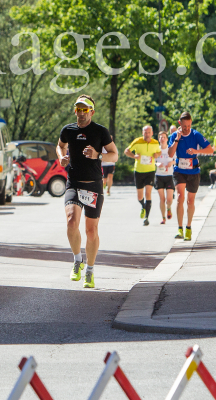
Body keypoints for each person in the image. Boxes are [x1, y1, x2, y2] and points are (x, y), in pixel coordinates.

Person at [57, 94, 118, 288]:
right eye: (78, 109)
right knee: (71, 221)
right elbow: (60, 146)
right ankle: (77, 260)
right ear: (75, 111)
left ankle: (90, 270)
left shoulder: (100, 131)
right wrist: (61, 157)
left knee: (91, 231)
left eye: (85, 110)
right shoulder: (68, 130)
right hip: (73, 182)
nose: (81, 113)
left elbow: (114, 155)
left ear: (91, 111)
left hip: (93, 184)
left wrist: (97, 155)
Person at [168, 111, 213, 240]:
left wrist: (196, 151)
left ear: (191, 123)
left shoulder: (195, 135)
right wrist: (177, 138)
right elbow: (171, 154)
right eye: (184, 126)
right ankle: (180, 228)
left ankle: (188, 227)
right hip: (179, 170)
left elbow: (210, 149)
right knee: (180, 197)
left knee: (190, 200)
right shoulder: (174, 136)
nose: (186, 128)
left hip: (193, 171)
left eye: (188, 126)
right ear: (179, 123)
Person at [124, 125, 161, 225]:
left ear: (152, 133)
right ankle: (143, 206)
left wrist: (157, 155)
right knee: (140, 196)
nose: (147, 134)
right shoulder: (137, 141)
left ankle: (147, 218)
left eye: (149, 132)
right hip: (139, 171)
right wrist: (134, 156)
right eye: (145, 132)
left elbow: (159, 152)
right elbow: (126, 151)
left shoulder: (155, 142)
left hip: (150, 170)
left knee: (148, 193)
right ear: (142, 133)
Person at [154, 131, 175, 224]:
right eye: (160, 137)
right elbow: (153, 161)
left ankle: (169, 208)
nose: (162, 139)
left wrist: (171, 163)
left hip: (170, 176)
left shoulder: (170, 149)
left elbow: (176, 160)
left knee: (169, 200)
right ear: (158, 139)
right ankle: (163, 217)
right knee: (162, 199)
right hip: (159, 176)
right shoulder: (156, 150)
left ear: (167, 139)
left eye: (164, 137)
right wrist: (158, 164)